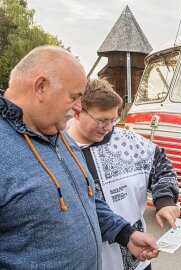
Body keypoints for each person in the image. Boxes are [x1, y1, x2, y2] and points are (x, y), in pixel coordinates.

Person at [0, 46, 159, 269]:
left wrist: (125, 234)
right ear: (41, 87)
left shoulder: (59, 135)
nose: (78, 108)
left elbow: (88, 200)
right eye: (74, 97)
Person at [66, 77, 179, 270]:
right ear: (77, 112)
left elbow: (161, 165)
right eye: (102, 120)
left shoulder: (129, 141)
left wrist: (165, 201)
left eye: (113, 119)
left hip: (138, 260)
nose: (109, 127)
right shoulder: (59, 150)